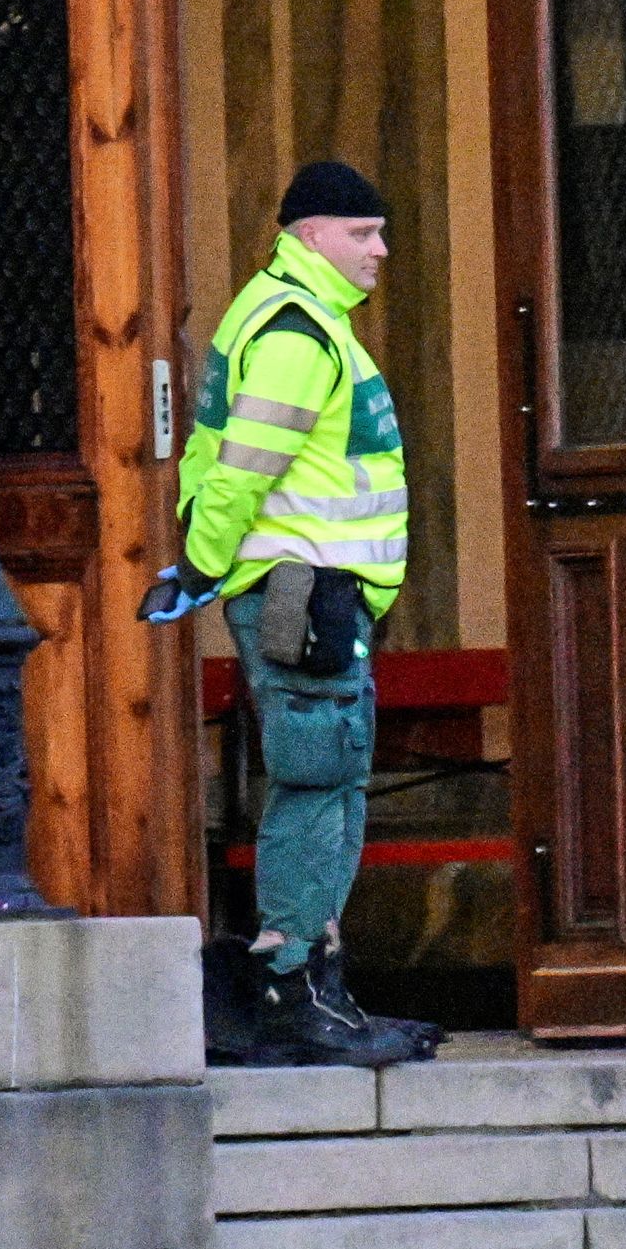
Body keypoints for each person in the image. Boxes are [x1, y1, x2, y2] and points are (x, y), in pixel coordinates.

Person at [142, 159, 436, 1069]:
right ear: (312, 234)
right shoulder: (299, 332)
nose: (381, 249)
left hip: (318, 593)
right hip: (299, 591)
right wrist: (198, 561)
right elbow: (242, 469)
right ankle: (293, 988)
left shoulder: (302, 318)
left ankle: (321, 989)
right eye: (363, 232)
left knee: (333, 780)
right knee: (316, 780)